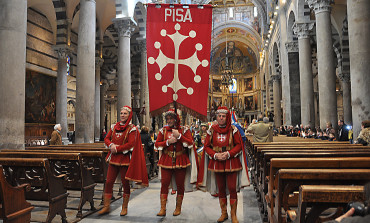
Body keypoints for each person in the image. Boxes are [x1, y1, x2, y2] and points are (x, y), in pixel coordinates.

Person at [198, 106, 250, 223]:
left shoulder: (233, 129)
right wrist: (215, 155)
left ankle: (234, 215)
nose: (221, 118)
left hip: (231, 161)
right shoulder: (212, 129)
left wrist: (228, 154)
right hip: (217, 162)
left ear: (227, 117)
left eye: (223, 116)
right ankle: (224, 213)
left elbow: (238, 145)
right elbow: (206, 146)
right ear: (216, 117)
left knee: (232, 188)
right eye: (219, 116)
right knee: (220, 189)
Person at [99, 106, 148, 216]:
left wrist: (117, 148)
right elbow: (106, 138)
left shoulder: (132, 129)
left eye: (125, 113)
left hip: (125, 159)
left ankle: (124, 207)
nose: (122, 115)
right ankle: (106, 206)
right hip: (114, 159)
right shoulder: (114, 127)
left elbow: (131, 144)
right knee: (108, 182)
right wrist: (111, 144)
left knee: (125, 183)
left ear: (129, 115)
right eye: (121, 113)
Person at [154, 109, 197, 217]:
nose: (169, 121)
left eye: (171, 118)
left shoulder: (184, 130)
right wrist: (168, 142)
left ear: (176, 119)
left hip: (180, 159)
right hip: (166, 159)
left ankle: (178, 208)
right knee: (164, 184)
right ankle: (163, 208)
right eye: (167, 119)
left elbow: (191, 143)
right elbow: (157, 144)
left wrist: (179, 137)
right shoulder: (162, 131)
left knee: (180, 184)